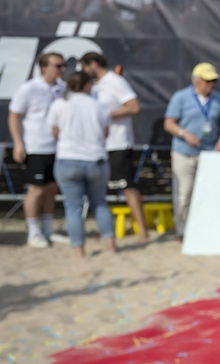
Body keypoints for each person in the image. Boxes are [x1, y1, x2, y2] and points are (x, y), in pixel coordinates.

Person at [80, 53, 147, 243]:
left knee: (126, 187)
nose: (83, 72)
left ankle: (142, 231)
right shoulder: (95, 85)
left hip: (117, 143)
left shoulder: (115, 81)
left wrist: (105, 115)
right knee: (100, 191)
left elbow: (133, 107)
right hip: (98, 146)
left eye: (84, 67)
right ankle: (107, 231)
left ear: (93, 64)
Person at [47, 71, 115, 257]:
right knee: (100, 203)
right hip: (96, 159)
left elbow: (55, 132)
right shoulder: (99, 106)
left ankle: (79, 250)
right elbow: (106, 133)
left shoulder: (60, 105)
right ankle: (111, 246)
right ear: (87, 85)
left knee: (73, 207)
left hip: (68, 159)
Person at [164, 63, 220, 238]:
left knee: (208, 194)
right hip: (183, 152)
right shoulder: (181, 97)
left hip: (208, 154)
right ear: (196, 80)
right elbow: (169, 123)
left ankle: (203, 230)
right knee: (183, 193)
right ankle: (182, 232)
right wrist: (184, 133)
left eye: (213, 81)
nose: (211, 84)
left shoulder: (218, 99)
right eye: (207, 81)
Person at [8, 53, 67, 248]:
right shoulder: (29, 88)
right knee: (36, 190)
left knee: (51, 189)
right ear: (43, 67)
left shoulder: (63, 89)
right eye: (57, 66)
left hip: (58, 147)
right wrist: (18, 143)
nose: (61, 69)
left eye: (63, 65)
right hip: (36, 147)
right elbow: (14, 116)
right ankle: (33, 232)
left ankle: (48, 230)